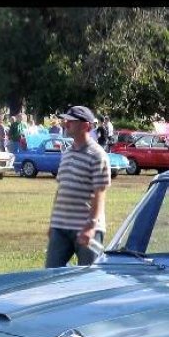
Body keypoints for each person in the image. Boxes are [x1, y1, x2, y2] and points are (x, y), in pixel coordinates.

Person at [45, 105, 111, 268]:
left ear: (86, 125)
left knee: (88, 279)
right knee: (51, 276)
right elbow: (61, 189)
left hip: (86, 228)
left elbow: (100, 193)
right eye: (66, 121)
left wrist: (91, 225)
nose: (66, 124)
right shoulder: (67, 153)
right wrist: (53, 223)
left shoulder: (97, 155)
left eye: (71, 122)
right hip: (61, 226)